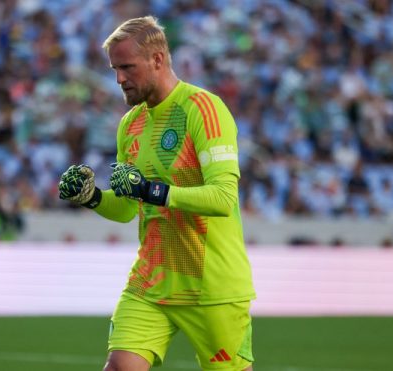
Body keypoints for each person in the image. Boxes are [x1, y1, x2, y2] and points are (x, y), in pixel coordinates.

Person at [58, 16, 256, 371]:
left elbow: (224, 198)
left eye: (127, 67)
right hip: (151, 282)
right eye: (114, 69)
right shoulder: (130, 124)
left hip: (210, 288)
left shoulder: (203, 109)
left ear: (158, 60)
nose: (119, 79)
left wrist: (153, 191)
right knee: (119, 366)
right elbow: (127, 208)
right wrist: (92, 197)